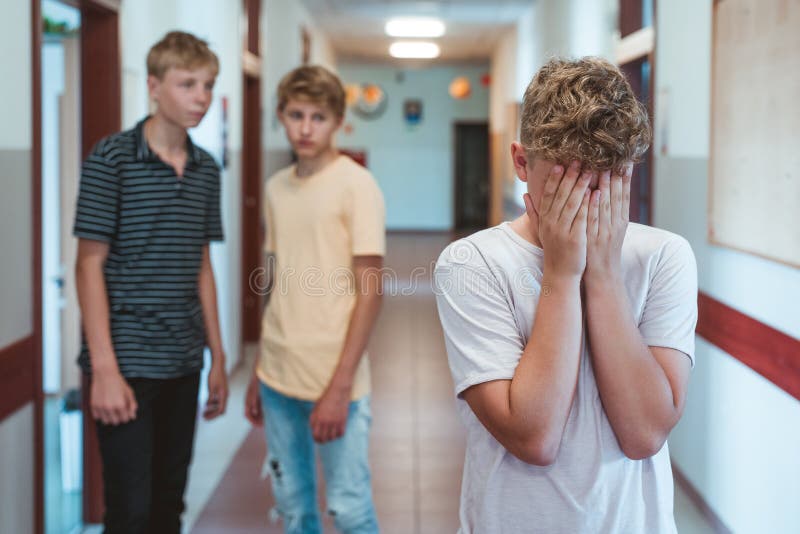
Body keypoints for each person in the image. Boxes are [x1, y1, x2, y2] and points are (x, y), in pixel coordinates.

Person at [434, 57, 698, 533]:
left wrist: (602, 277)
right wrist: (561, 272)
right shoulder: (471, 263)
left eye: (606, 183)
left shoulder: (664, 257)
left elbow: (645, 434)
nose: (587, 205)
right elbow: (535, 437)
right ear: (521, 162)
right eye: (569, 183)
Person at [73, 31, 228, 533]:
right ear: (154, 86)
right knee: (129, 512)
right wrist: (104, 369)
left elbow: (202, 264)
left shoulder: (206, 168)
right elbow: (88, 264)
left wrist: (218, 358)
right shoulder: (111, 159)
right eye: (188, 85)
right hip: (125, 361)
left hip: (183, 360)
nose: (201, 98)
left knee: (168, 506)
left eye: (207, 85)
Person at [244, 65, 385, 534]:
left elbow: (370, 289)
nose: (305, 129)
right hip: (277, 376)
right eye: (295, 115)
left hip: (334, 377)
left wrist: (340, 386)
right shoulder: (275, 188)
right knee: (293, 509)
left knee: (349, 509)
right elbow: (274, 282)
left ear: (339, 120)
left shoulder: (356, 185)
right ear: (281, 116)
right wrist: (258, 370)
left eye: (318, 117)